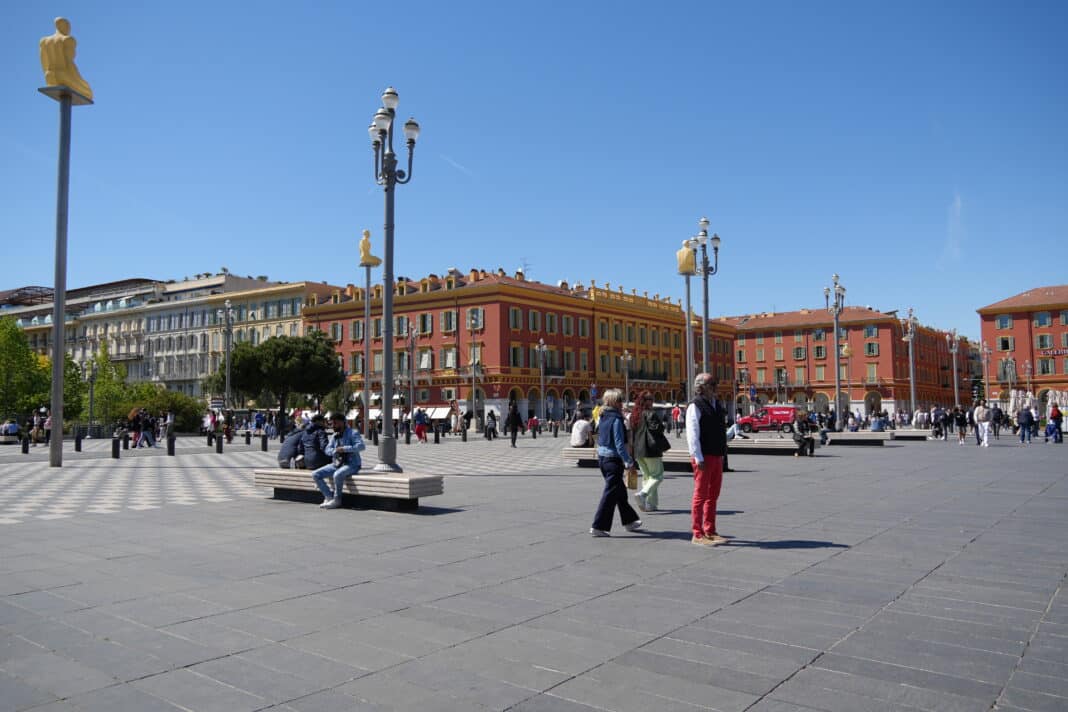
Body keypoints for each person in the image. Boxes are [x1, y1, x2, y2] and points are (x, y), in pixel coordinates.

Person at [590, 389, 642, 537]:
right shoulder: (616, 419)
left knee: (619, 492)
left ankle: (630, 521)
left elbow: (599, 436)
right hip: (613, 460)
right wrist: (628, 461)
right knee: (610, 494)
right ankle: (598, 526)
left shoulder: (603, 416)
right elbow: (619, 443)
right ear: (613, 402)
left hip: (603, 459)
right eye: (620, 400)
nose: (622, 403)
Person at [686, 373, 728, 546]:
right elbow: (692, 434)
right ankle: (697, 532)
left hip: (716, 455)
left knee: (713, 495)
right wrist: (697, 457)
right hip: (703, 456)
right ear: (701, 387)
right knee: (700, 495)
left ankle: (710, 530)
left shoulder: (716, 404)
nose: (715, 388)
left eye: (715, 384)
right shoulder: (695, 406)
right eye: (712, 385)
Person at [312, 413, 366, 509]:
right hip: (337, 463)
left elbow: (361, 446)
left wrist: (345, 449)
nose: (333, 426)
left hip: (352, 464)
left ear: (343, 422)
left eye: (335, 423)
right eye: (331, 424)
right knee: (316, 474)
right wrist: (334, 450)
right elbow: (327, 450)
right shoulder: (334, 435)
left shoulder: (353, 433)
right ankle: (329, 497)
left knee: (337, 474)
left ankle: (337, 500)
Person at [632, 391, 668, 513]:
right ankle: (643, 494)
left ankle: (650, 504)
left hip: (638, 451)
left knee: (648, 477)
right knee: (658, 476)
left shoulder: (635, 415)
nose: (652, 402)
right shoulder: (650, 414)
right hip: (650, 450)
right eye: (650, 399)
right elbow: (656, 429)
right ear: (644, 401)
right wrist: (662, 424)